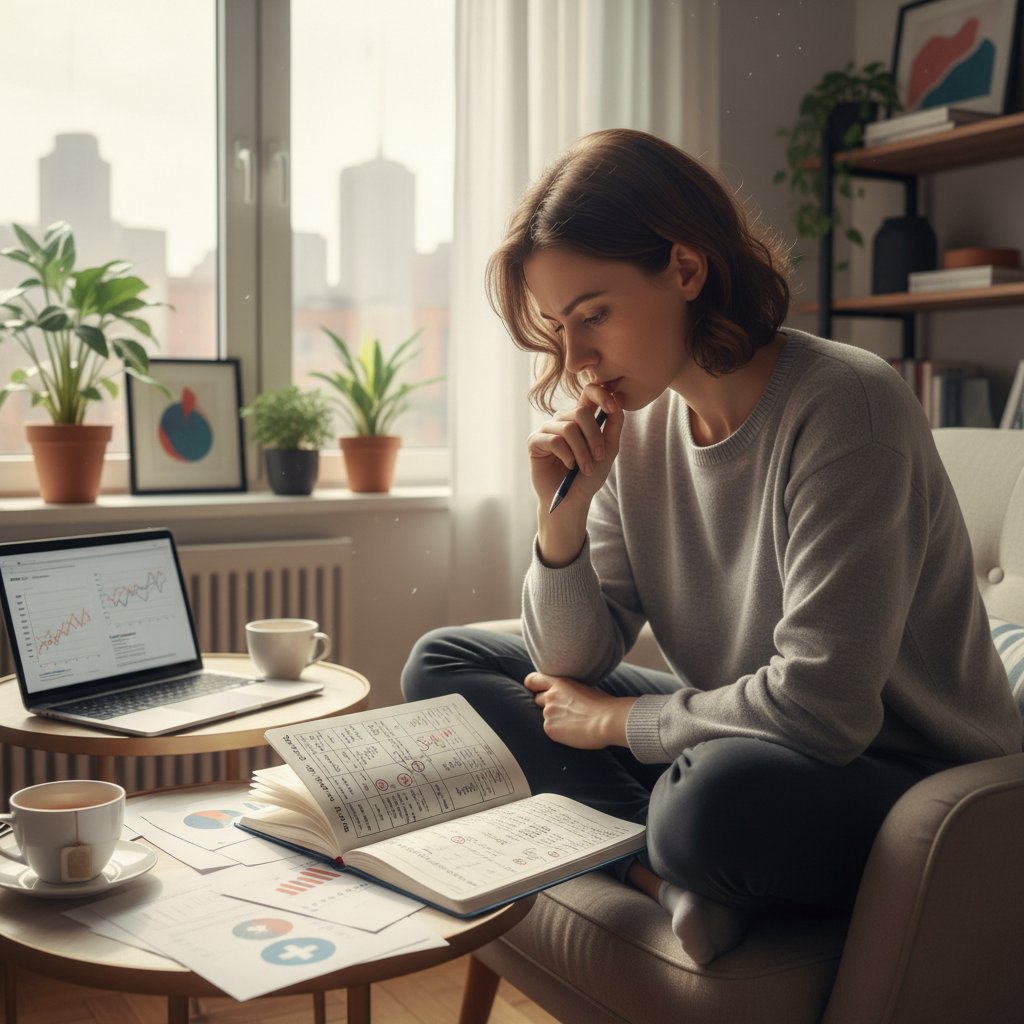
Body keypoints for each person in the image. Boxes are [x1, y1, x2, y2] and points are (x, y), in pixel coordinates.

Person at [401, 128, 1021, 964]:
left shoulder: (848, 410)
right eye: (558, 328)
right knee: (443, 666)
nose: (577, 360)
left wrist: (620, 722)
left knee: (709, 803)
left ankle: (672, 847)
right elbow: (570, 660)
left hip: (903, 776)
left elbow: (824, 711)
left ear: (686, 270)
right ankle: (663, 875)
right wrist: (562, 521)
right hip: (742, 732)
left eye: (594, 316)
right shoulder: (636, 427)